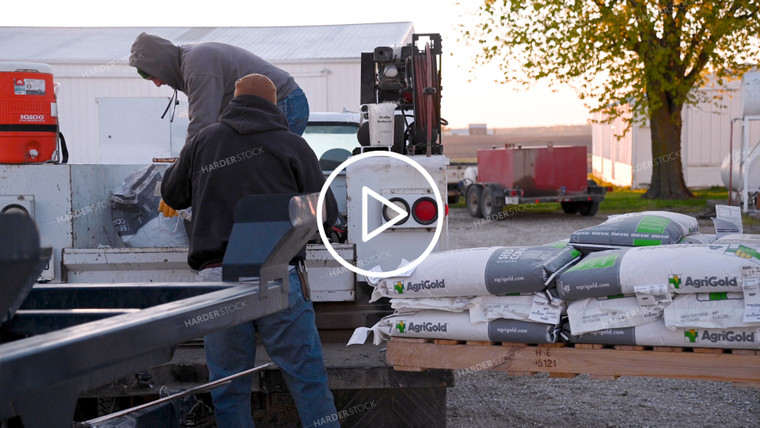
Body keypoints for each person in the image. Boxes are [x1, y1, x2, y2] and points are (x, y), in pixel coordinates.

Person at [160, 73, 339, 427]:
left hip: (218, 278)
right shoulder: (293, 145)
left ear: (233, 101)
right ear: (275, 105)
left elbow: (172, 195)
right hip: (277, 273)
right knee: (308, 380)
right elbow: (326, 211)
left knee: (228, 385)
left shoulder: (203, 142)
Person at [129, 32, 310, 141]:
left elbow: (202, 124)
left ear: (162, 64)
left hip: (285, 103)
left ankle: (285, 204)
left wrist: (182, 171)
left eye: (154, 77)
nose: (158, 84)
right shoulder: (189, 64)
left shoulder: (197, 66)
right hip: (266, 109)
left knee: (262, 168)